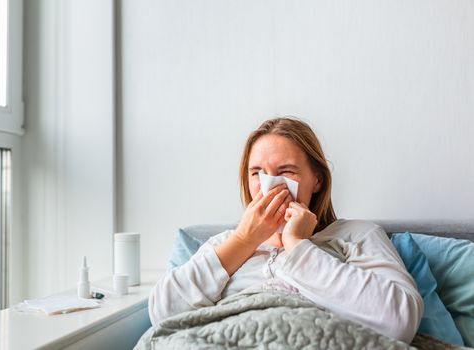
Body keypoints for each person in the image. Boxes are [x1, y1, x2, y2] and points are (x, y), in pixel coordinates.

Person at [148, 117, 423, 344]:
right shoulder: (224, 244)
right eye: (257, 173)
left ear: (317, 179)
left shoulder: (356, 235)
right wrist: (244, 240)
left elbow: (399, 321)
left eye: (287, 171)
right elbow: (163, 313)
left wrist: (297, 245)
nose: (270, 186)